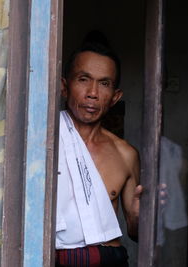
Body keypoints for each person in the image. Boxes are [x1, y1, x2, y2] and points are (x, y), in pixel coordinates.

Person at [55, 40, 143, 267]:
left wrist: (137, 218)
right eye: (84, 80)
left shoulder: (126, 155)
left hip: (107, 260)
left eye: (104, 83)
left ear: (115, 96)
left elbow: (136, 234)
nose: (92, 93)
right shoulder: (41, 142)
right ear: (65, 86)